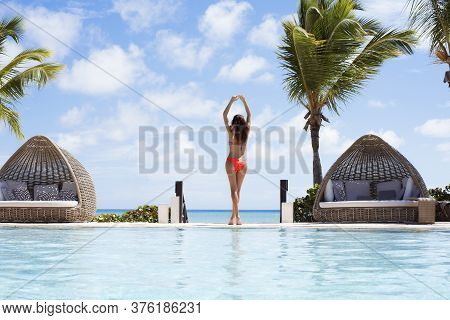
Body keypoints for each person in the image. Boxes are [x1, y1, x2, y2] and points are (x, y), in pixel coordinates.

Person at [223, 95, 251, 225]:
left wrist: (231, 101)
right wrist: (244, 101)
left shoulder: (231, 131)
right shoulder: (247, 130)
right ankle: (234, 218)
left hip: (231, 161)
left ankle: (237, 216)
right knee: (238, 191)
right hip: (242, 162)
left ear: (234, 122)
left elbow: (224, 115)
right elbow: (249, 115)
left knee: (233, 190)